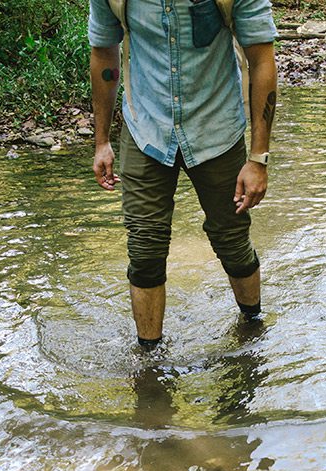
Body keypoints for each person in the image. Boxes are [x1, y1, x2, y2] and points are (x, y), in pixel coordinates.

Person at [88, 0, 278, 349]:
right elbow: (104, 52)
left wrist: (258, 158)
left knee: (232, 240)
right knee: (144, 249)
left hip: (217, 127)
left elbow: (262, 58)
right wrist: (101, 141)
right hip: (146, 127)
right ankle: (150, 362)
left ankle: (253, 329)